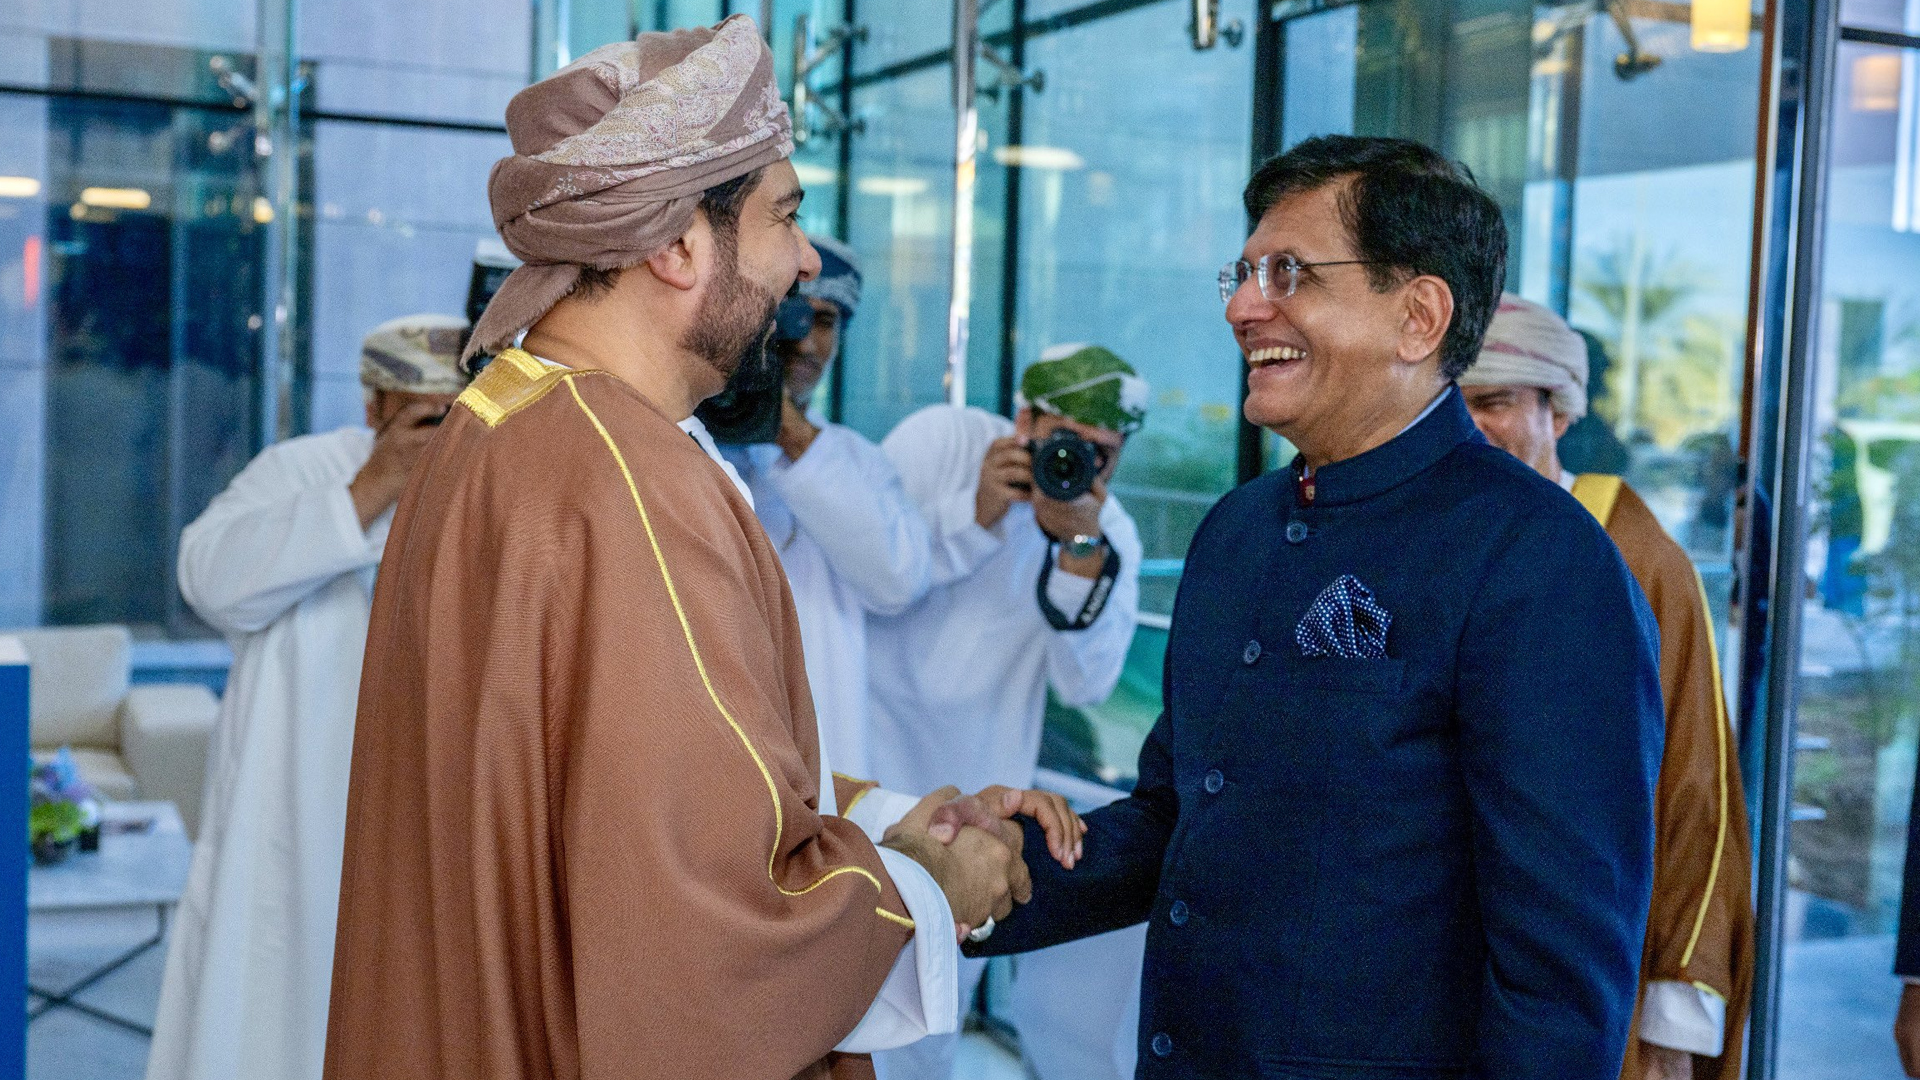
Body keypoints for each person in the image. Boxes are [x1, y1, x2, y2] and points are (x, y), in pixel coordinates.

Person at [322, 19, 1082, 1080]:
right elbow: (705, 930)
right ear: (678, 245)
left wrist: (894, 816)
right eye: (786, 216)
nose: (805, 263)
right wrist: (925, 884)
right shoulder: (626, 479)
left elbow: (615, 785)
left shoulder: (507, 421)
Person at [969, 135, 1666, 1079]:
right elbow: (1184, 817)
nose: (1242, 307)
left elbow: (1560, 982)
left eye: (1289, 273)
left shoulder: (1541, 561)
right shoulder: (1237, 532)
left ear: (1418, 316)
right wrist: (993, 867)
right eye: (1244, 273)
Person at [148, 314, 470, 1080]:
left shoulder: (493, 486)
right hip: (290, 833)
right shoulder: (302, 470)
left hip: (429, 829)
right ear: (373, 405)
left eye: (453, 412)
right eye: (421, 413)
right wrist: (370, 488)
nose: (437, 430)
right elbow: (209, 581)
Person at [1458, 294, 1756, 1080]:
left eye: (1495, 402)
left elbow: (1694, 787)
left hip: (1586, 974)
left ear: (1558, 413)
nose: (1471, 427)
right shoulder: (1432, 537)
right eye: (1453, 404)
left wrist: (1671, 1025)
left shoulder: (1635, 553)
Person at [867, 343, 1145, 1080]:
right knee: (824, 999)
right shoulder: (943, 441)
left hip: (973, 808)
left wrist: (1079, 548)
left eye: (1101, 454)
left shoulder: (1106, 530)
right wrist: (975, 513)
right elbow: (874, 578)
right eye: (1063, 441)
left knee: (927, 1026)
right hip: (857, 766)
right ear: (1024, 420)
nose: (1077, 464)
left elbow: (1087, 684)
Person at [721, 235, 930, 778]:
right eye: (789, 318)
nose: (806, 343)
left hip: (824, 762)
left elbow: (898, 581)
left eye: (826, 321)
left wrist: (790, 433)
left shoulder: (857, 460)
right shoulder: (683, 436)